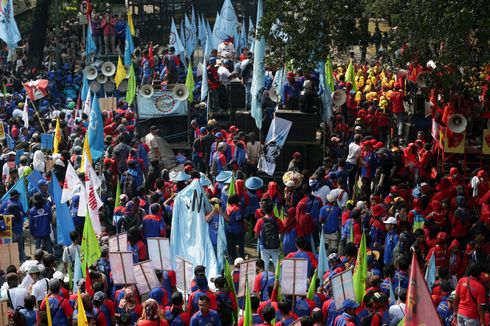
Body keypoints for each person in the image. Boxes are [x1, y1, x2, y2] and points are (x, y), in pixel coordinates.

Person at [254, 198, 283, 270]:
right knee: (277, 265)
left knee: (265, 265)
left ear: (263, 210)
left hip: (264, 247)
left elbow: (256, 236)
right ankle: (278, 280)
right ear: (272, 209)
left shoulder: (260, 221)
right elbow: (281, 232)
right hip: (276, 246)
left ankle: (266, 279)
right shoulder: (277, 220)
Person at [454, 261, 486, 326]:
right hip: (471, 317)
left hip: (460, 314)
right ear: (480, 273)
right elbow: (480, 307)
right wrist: (483, 322)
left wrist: (455, 311)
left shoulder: (461, 280)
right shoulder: (480, 288)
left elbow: (456, 298)